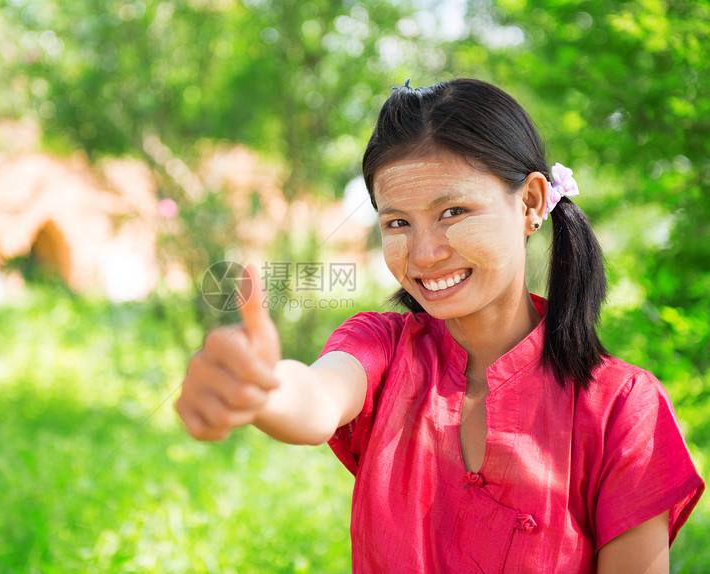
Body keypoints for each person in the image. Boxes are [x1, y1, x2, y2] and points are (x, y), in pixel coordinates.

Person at [175, 78, 705, 572]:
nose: (424, 253)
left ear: (531, 202)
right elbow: (314, 399)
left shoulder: (622, 408)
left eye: (453, 211)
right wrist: (263, 389)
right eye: (397, 223)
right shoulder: (381, 347)